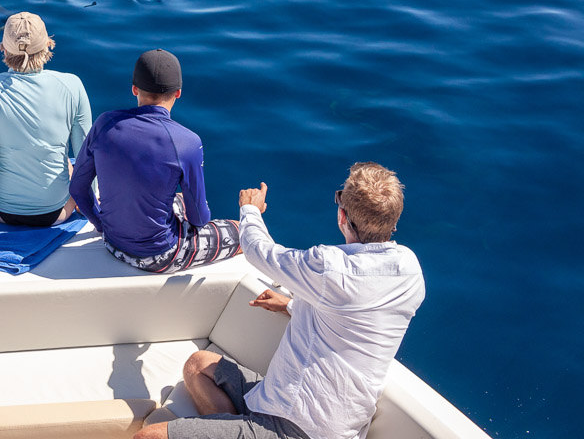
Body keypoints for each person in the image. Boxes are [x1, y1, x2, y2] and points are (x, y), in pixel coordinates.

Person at [135, 163, 425, 439]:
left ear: (342, 216)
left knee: (148, 436)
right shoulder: (410, 271)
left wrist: (250, 209)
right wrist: (290, 305)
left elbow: (259, 250)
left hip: (295, 426)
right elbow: (356, 312)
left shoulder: (328, 266)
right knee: (199, 365)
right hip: (313, 415)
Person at [69, 49, 240, 273]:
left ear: (134, 89)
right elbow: (199, 219)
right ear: (178, 93)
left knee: (175, 199)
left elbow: (78, 188)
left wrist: (102, 225)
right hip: (160, 255)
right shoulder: (187, 142)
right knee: (243, 229)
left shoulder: (104, 124)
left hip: (112, 243)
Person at [0, 12, 91, 249]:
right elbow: (86, 152)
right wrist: (88, 202)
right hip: (59, 212)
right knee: (70, 163)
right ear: (48, 46)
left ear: (4, 49)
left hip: (0, 213)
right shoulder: (73, 85)